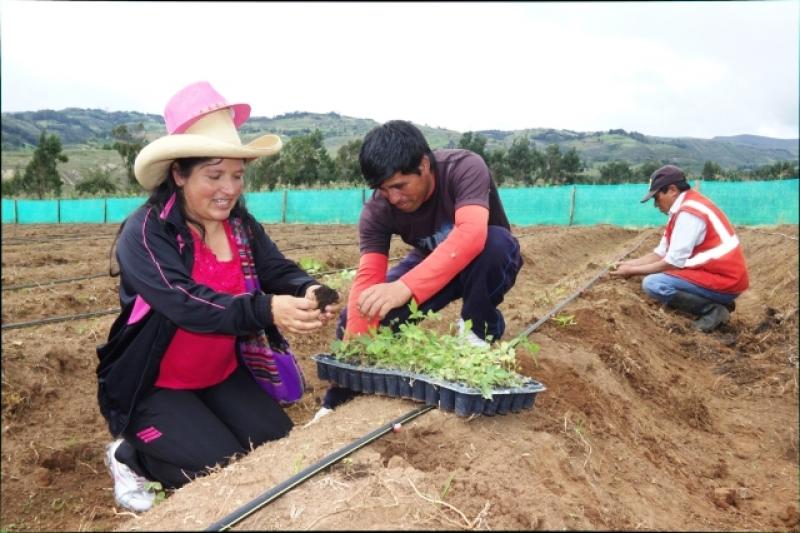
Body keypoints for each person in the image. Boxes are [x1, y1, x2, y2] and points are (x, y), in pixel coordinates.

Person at [95, 81, 340, 512]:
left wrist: (308, 288)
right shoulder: (148, 232)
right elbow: (183, 301)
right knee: (220, 471)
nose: (228, 188)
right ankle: (130, 457)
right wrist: (267, 307)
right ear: (179, 173)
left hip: (221, 374)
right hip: (154, 386)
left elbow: (276, 269)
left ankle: (192, 430)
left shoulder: (240, 226)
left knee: (276, 452)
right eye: (214, 174)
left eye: (237, 175)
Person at [320, 120, 523, 412]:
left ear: (424, 165)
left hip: (487, 259)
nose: (393, 198)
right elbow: (367, 279)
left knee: (496, 242)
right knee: (363, 310)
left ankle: (477, 333)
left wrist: (405, 287)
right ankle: (338, 401)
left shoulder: (463, 167)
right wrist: (357, 343)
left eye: (400, 186)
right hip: (433, 262)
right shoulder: (377, 210)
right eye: (383, 189)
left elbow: (471, 236)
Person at [610, 164, 748, 332]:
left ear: (672, 190)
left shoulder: (689, 213)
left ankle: (713, 310)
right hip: (714, 274)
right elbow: (660, 253)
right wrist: (629, 264)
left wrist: (632, 272)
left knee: (653, 283)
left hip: (725, 280)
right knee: (653, 276)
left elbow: (672, 261)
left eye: (656, 197)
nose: (655, 205)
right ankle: (716, 302)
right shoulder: (682, 208)